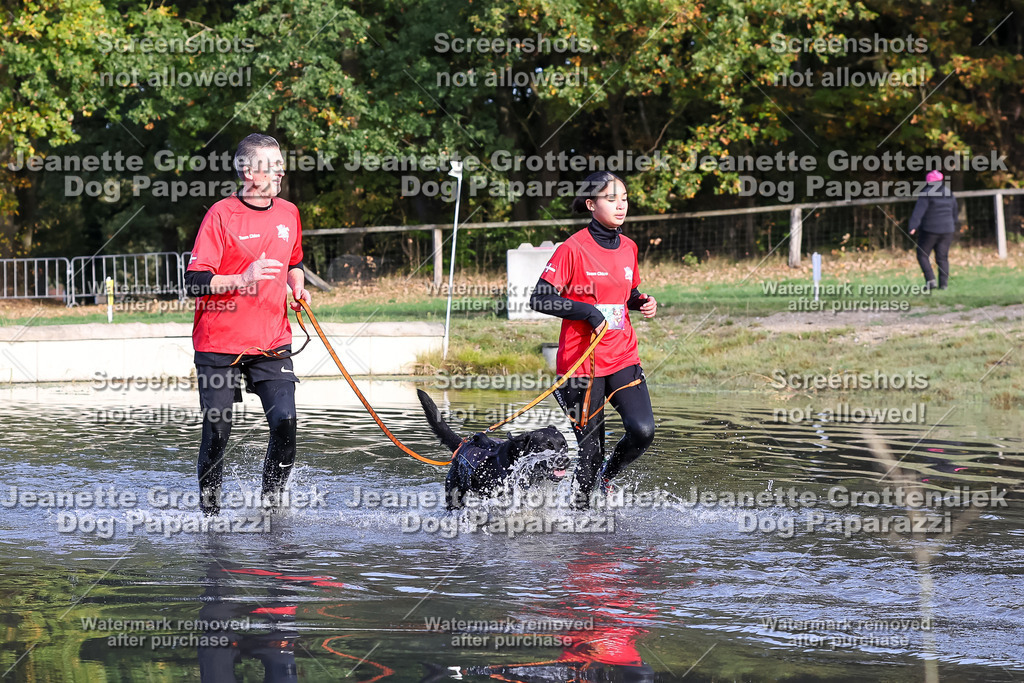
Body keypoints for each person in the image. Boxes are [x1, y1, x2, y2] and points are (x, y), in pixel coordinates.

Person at [184, 133, 311, 515]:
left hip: (271, 340)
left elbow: (294, 260)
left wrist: (297, 282)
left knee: (286, 423)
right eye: (271, 165)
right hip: (218, 344)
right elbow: (194, 281)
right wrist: (243, 277)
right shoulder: (221, 215)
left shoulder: (289, 212)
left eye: (281, 164)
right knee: (218, 434)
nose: (280, 171)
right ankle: (210, 517)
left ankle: (271, 510)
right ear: (247, 171)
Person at [529, 171, 657, 509]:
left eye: (624, 198)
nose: (620, 205)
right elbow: (540, 298)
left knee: (643, 431)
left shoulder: (629, 247)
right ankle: (583, 532)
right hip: (580, 366)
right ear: (591, 204)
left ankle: (606, 476)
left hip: (622, 357)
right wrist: (587, 312)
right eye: (611, 198)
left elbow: (623, 294)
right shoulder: (572, 248)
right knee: (590, 450)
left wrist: (641, 300)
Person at [908, 170, 957, 290]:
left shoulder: (926, 193)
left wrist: (913, 226)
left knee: (922, 255)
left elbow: (919, 211)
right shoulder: (948, 192)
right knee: (942, 257)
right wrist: (952, 224)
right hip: (947, 230)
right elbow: (955, 211)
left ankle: (931, 280)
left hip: (930, 229)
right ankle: (944, 285)